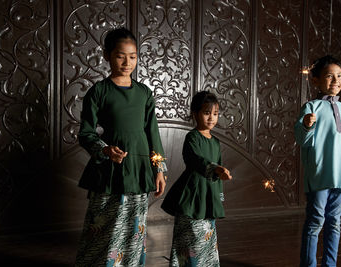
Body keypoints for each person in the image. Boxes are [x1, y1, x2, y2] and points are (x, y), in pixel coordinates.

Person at [75, 27, 167, 266]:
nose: (128, 62)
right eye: (120, 55)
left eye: (133, 56)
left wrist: (159, 169)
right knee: (102, 227)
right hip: (109, 171)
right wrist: (105, 150)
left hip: (138, 169)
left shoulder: (145, 93)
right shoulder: (98, 92)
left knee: (134, 230)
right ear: (107, 55)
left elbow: (153, 134)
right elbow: (85, 133)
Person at [294, 55, 341, 267]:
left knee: (334, 223)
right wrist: (307, 125)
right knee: (316, 221)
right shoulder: (311, 107)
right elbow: (302, 140)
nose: (335, 80)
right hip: (319, 176)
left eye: (339, 76)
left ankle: (330, 264)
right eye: (329, 76)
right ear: (315, 80)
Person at [161, 91, 232, 267]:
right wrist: (214, 168)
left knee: (207, 238)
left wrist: (219, 195)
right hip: (192, 196)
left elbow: (219, 169)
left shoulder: (215, 142)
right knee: (190, 238)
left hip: (209, 196)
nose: (211, 118)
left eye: (215, 114)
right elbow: (194, 160)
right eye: (206, 113)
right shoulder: (192, 137)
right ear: (195, 114)